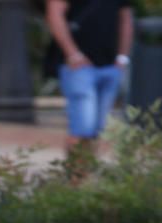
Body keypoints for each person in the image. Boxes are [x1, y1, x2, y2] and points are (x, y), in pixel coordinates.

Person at [46, 0, 134, 157]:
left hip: (110, 65)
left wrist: (122, 57)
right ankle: (76, 178)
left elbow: (125, 17)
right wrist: (73, 54)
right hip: (78, 67)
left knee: (96, 130)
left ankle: (86, 174)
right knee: (81, 129)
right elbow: (54, 14)